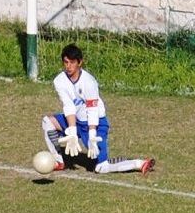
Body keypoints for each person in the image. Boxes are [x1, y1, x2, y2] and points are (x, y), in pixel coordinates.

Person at [41, 43, 155, 175]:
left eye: (72, 62)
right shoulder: (59, 81)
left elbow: (92, 110)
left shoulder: (89, 82)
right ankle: (58, 161)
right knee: (47, 122)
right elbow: (69, 105)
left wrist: (92, 134)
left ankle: (139, 163)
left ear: (80, 62)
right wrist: (72, 131)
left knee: (101, 167)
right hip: (76, 120)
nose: (68, 66)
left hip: (95, 123)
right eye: (66, 62)